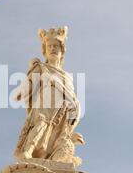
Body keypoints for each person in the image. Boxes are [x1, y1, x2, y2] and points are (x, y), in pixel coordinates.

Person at [14, 27, 83, 163]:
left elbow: (71, 94)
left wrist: (75, 106)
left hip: (61, 109)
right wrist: (24, 86)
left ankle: (50, 156)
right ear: (44, 50)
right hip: (45, 102)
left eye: (56, 46)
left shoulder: (67, 76)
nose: (53, 49)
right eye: (49, 46)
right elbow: (26, 86)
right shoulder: (41, 67)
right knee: (40, 122)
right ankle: (28, 150)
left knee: (54, 133)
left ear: (62, 50)